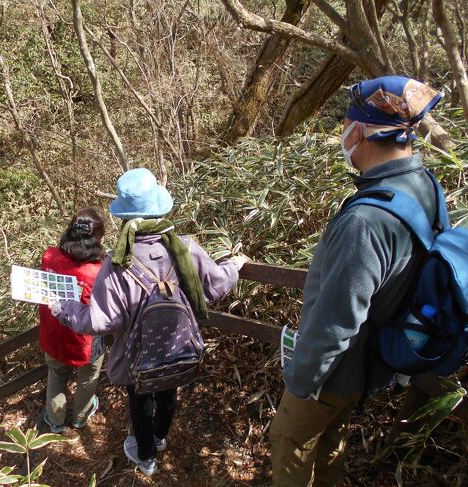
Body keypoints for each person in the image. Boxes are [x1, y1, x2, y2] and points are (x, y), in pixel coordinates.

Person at [269, 76, 443, 486]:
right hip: (376, 360)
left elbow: (336, 321)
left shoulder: (365, 221)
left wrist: (301, 381)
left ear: (362, 130)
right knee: (332, 439)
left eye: (346, 123)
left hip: (337, 369)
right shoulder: (424, 186)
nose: (343, 133)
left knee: (289, 438)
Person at [50, 167, 247, 475]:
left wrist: (63, 308)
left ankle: (146, 457)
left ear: (124, 217)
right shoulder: (186, 248)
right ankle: (159, 438)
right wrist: (234, 265)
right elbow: (215, 286)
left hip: (134, 356)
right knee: (168, 393)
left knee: (141, 403)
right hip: (178, 348)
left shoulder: (117, 264)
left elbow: (100, 321)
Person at [37, 207, 107, 440]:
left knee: (57, 373)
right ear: (98, 238)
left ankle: (55, 421)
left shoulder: (49, 256)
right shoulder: (99, 270)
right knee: (88, 376)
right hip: (87, 336)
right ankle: (80, 416)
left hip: (54, 330)